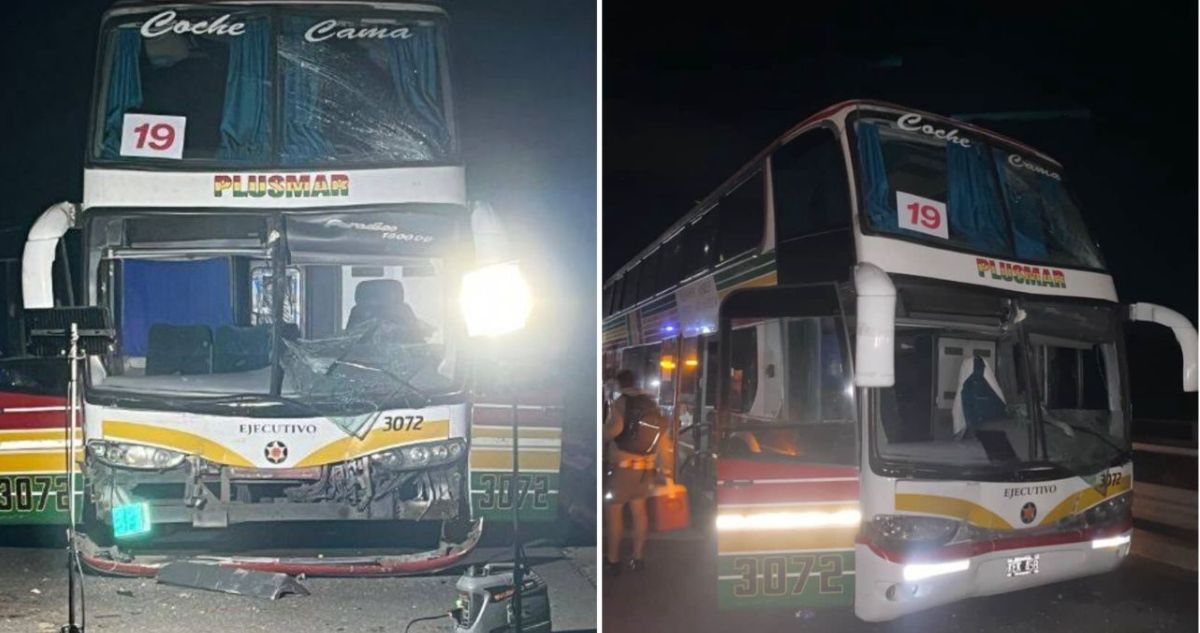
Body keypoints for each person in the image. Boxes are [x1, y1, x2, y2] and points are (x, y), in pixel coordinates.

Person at [603, 368, 663, 575]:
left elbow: (614, 430)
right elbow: (662, 436)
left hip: (624, 468)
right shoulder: (651, 403)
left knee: (614, 511)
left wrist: (601, 435)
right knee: (639, 513)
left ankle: (613, 560)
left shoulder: (621, 402)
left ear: (619, 384)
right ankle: (638, 558)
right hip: (646, 469)